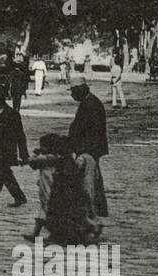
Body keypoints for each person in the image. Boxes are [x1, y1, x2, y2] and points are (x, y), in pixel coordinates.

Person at [24, 133, 90, 244]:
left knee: (46, 211)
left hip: (49, 190)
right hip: (54, 189)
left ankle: (40, 234)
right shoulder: (59, 157)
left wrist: (36, 153)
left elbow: (32, 162)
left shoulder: (47, 158)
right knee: (47, 211)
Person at [67, 78, 109, 238]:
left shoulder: (90, 104)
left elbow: (87, 130)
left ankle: (92, 216)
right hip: (89, 149)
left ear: (81, 89)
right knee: (93, 180)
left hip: (89, 149)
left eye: (73, 91)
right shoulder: (89, 102)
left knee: (89, 182)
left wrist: (76, 146)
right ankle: (95, 212)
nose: (72, 95)